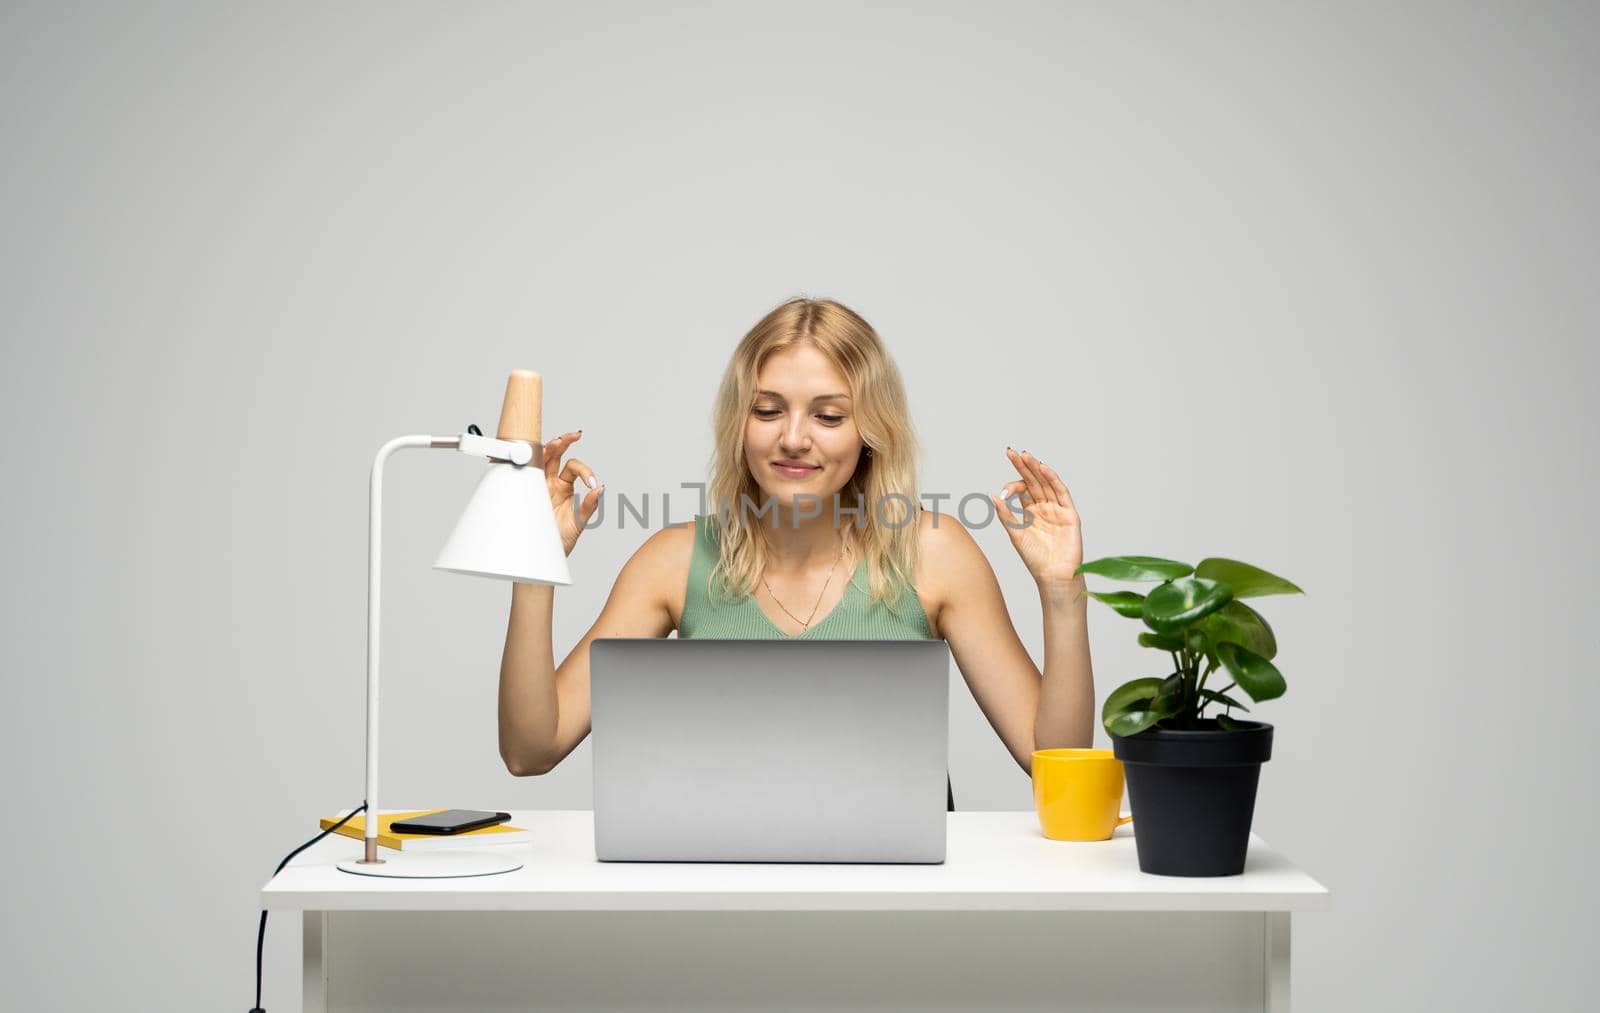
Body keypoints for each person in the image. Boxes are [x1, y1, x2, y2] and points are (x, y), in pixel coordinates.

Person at [497, 297, 1095, 811]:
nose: (792, 437)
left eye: (828, 415)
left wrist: (1062, 589)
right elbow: (531, 750)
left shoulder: (932, 553)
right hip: (726, 897)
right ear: (740, 423)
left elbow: (1053, 764)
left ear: (869, 434)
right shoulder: (673, 560)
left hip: (896, 900)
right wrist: (533, 562)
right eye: (768, 410)